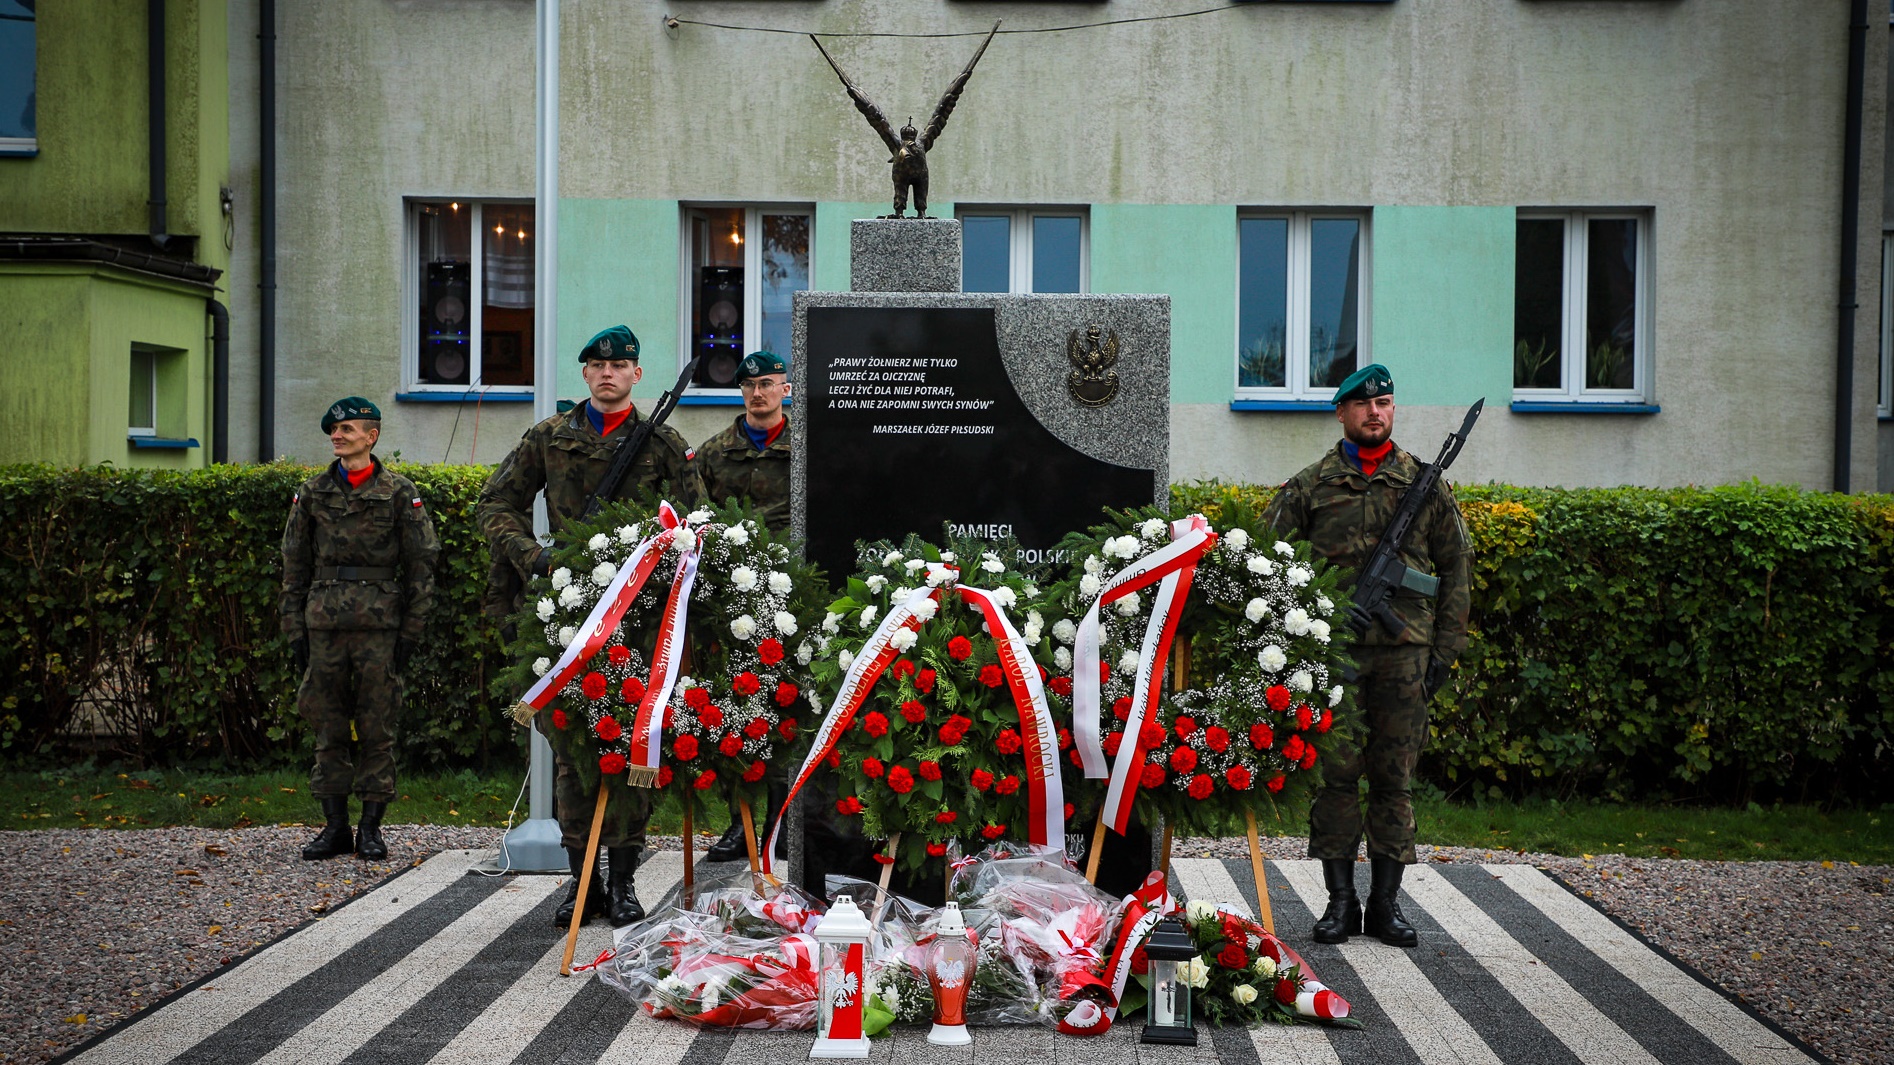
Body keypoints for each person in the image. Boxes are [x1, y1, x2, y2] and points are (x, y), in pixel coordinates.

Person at [477, 324, 704, 928]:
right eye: (597, 365)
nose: (608, 373)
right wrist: (534, 557)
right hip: (567, 613)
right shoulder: (548, 437)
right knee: (575, 747)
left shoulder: (661, 443)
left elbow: (697, 526)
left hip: (638, 618)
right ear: (584, 374)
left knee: (633, 742)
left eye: (620, 364)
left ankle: (625, 881)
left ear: (636, 375)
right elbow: (496, 504)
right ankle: (582, 881)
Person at [1264, 364, 1471, 948]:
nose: (1375, 412)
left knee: (1394, 780)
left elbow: (1456, 571)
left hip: (1405, 659)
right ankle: (1340, 903)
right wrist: (1316, 618)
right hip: (1336, 659)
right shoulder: (1310, 486)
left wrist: (1443, 654)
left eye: (1384, 402)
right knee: (1336, 779)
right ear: (1341, 412)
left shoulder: (1425, 484)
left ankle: (1385, 906)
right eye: (1363, 404)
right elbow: (1268, 562)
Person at [280, 397, 439, 863]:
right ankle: (334, 828)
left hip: (379, 627)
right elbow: (294, 564)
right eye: (334, 429)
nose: (337, 435)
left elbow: (421, 564)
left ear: (371, 436)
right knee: (327, 726)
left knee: (376, 727)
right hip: (323, 626)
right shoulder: (311, 492)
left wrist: (411, 630)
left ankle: (371, 829)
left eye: (347, 429)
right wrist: (293, 629)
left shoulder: (398, 492)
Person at [693, 350, 794, 864]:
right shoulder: (713, 454)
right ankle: (741, 824)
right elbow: (697, 519)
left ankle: (782, 818)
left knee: (784, 706)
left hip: (792, 597)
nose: (759, 393)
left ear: (785, 388)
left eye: (769, 384)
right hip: (729, 602)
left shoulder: (806, 448)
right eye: (750, 385)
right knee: (735, 708)